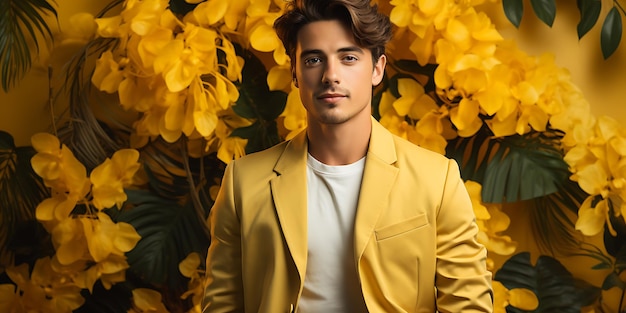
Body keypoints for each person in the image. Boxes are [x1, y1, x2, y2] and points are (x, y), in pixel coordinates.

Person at [201, 0, 493, 312]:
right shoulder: (243, 183)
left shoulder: (437, 179)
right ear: (295, 73)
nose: (331, 75)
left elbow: (468, 305)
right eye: (314, 60)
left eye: (349, 58)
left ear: (377, 69)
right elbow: (221, 305)